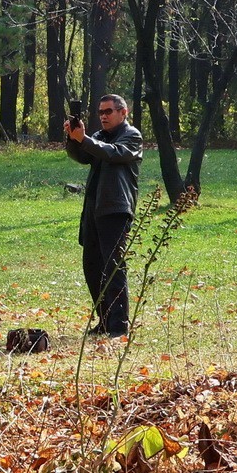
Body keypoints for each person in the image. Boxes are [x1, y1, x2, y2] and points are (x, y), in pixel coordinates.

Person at [64, 94, 143, 339]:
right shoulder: (99, 136)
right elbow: (82, 156)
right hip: (94, 208)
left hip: (116, 208)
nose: (103, 116)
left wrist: (85, 139)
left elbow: (113, 153)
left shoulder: (132, 136)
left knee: (114, 268)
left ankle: (119, 326)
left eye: (108, 111)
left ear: (123, 112)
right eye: (100, 112)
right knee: (92, 266)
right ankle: (105, 320)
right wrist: (73, 138)